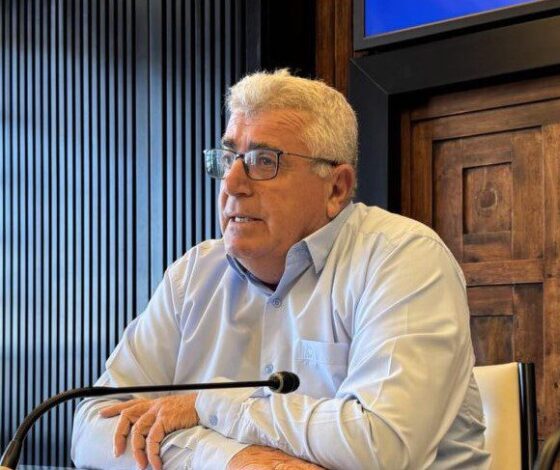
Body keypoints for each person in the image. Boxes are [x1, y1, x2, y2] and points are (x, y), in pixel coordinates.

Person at [71, 69, 489, 470]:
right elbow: (92, 428)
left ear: (336, 188)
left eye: (263, 161)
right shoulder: (194, 275)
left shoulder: (403, 258)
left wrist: (209, 406)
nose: (232, 184)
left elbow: (382, 446)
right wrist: (224, 459)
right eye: (229, 158)